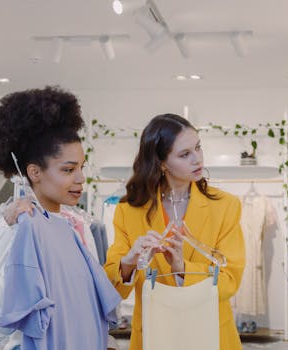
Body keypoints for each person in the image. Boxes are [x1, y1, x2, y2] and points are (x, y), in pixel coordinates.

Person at [0, 86, 121, 350]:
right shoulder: (13, 229)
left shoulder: (73, 226)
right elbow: (0, 319)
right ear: (34, 172)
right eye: (68, 169)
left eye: (81, 167)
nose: (80, 179)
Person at [104, 113, 246, 349]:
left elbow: (230, 280)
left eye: (198, 148)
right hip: (153, 334)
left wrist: (182, 269)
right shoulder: (128, 211)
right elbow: (113, 287)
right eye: (185, 154)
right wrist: (129, 262)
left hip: (210, 333)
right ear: (161, 163)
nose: (197, 159)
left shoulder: (226, 206)